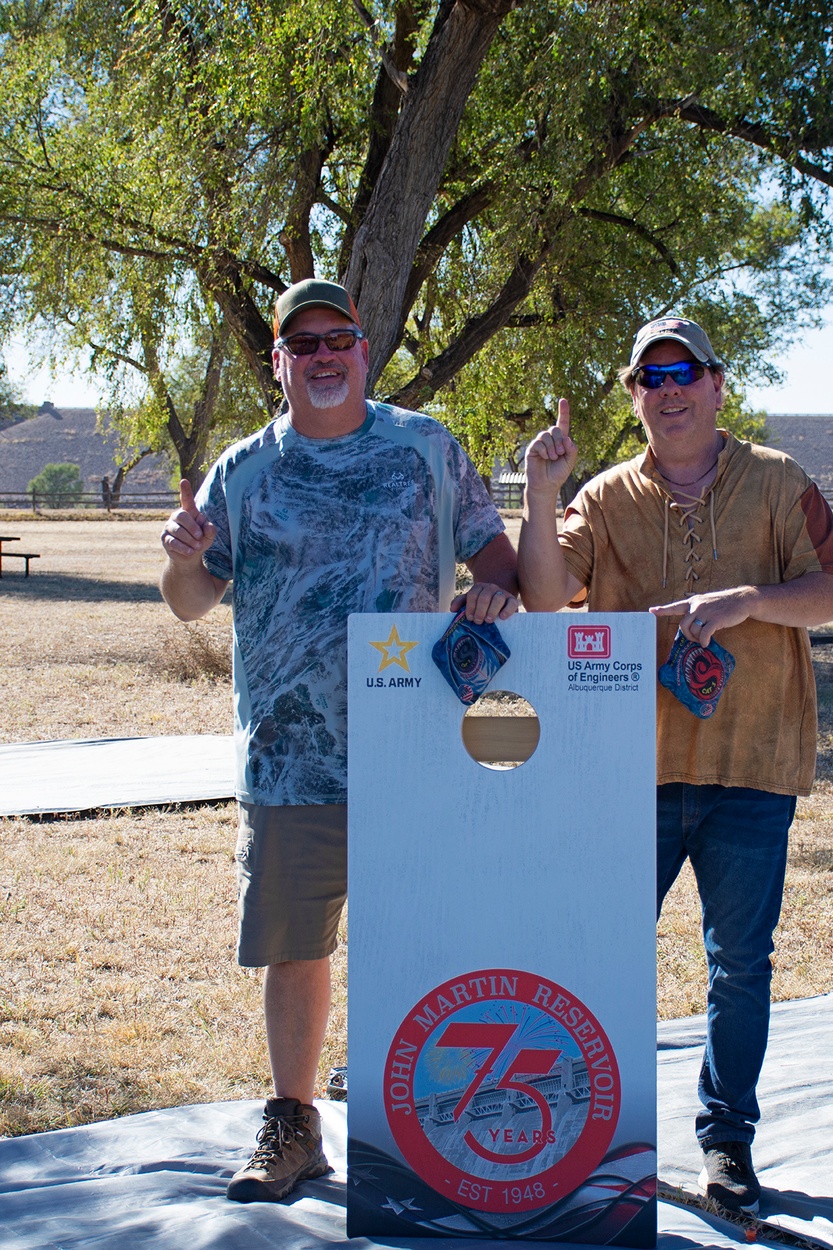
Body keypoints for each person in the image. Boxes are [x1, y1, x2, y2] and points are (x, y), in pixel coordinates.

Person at [160, 279, 518, 1203]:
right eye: (302, 343)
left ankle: (429, 1129)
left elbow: (496, 552)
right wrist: (181, 558)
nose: (323, 356)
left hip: (420, 747)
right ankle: (295, 1124)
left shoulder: (425, 449)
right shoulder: (242, 471)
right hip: (289, 754)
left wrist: (494, 590)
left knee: (423, 939)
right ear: (278, 362)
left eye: (339, 339)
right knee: (295, 945)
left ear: (365, 350)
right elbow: (194, 602)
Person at [517, 315, 833, 1215]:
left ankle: (726, 1145)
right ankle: (581, 1140)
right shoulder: (607, 495)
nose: (668, 389)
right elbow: (547, 597)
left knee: (740, 964)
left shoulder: (781, 483)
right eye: (649, 376)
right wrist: (542, 495)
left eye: (684, 372)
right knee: (602, 954)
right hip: (634, 768)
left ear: (716, 383)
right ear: (633, 396)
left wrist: (747, 599)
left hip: (754, 767)